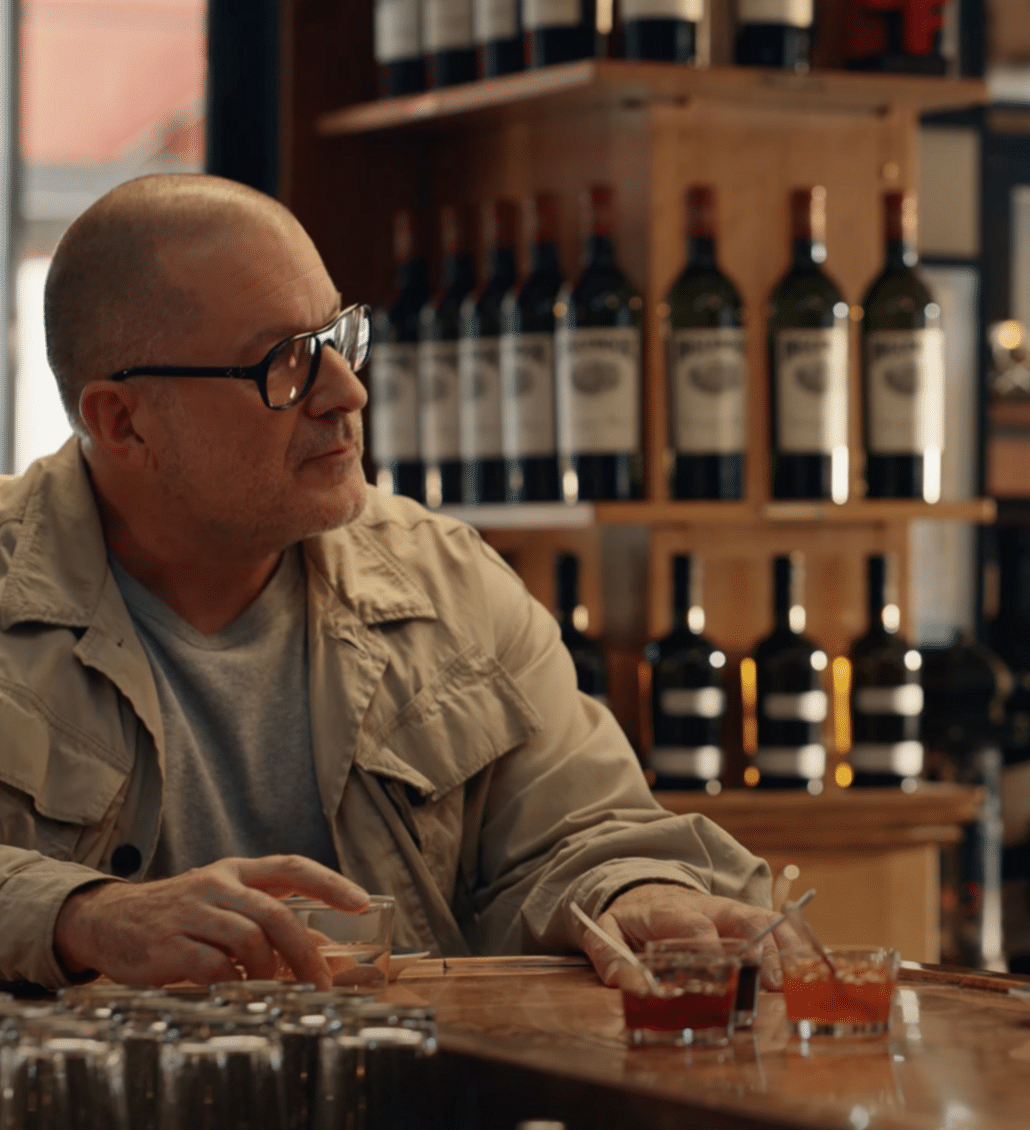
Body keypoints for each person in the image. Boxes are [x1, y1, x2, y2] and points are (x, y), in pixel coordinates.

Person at [0, 174, 797, 991]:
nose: (348, 391)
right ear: (121, 420)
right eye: (287, 364)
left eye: (341, 338)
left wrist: (636, 890)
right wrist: (82, 916)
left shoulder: (447, 582)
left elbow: (580, 828)